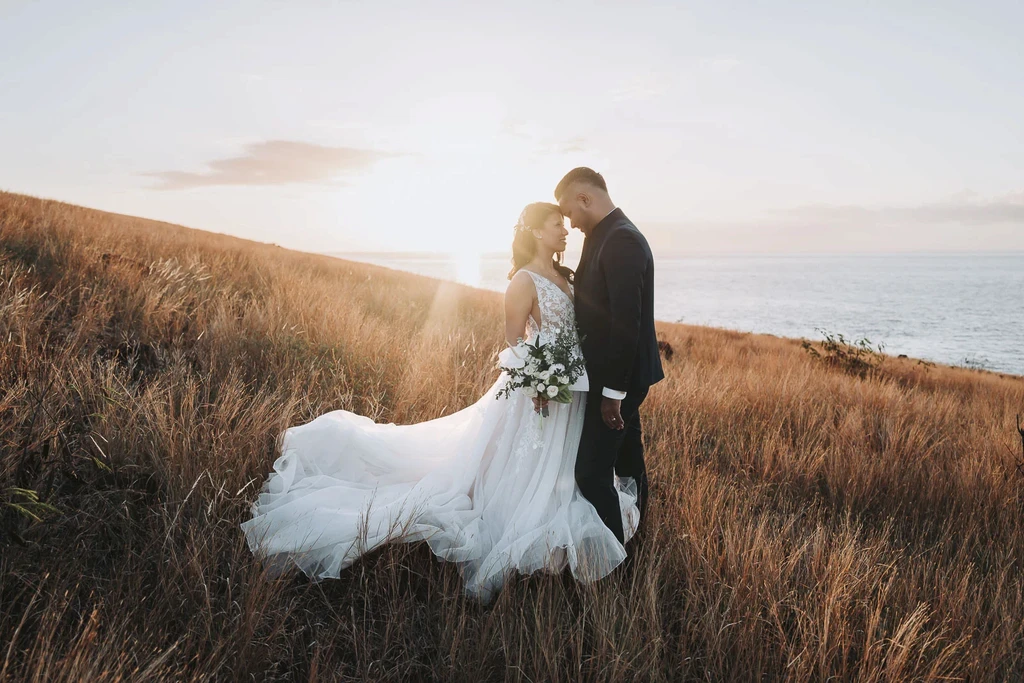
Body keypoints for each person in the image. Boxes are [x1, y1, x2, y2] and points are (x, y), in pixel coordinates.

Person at [241, 202, 638, 603]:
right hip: (540, 393)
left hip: (573, 388)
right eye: (557, 225)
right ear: (536, 231)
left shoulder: (566, 274)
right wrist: (537, 380)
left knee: (565, 464)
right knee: (523, 467)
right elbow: (514, 342)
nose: (565, 231)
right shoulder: (523, 281)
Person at [555, 168, 664, 545]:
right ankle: (636, 535)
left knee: (590, 472)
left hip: (619, 380)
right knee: (630, 461)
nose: (570, 222)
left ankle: (613, 562)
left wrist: (613, 393)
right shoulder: (603, 235)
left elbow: (626, 323)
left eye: (570, 211)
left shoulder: (622, 240)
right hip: (611, 377)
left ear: (585, 199)